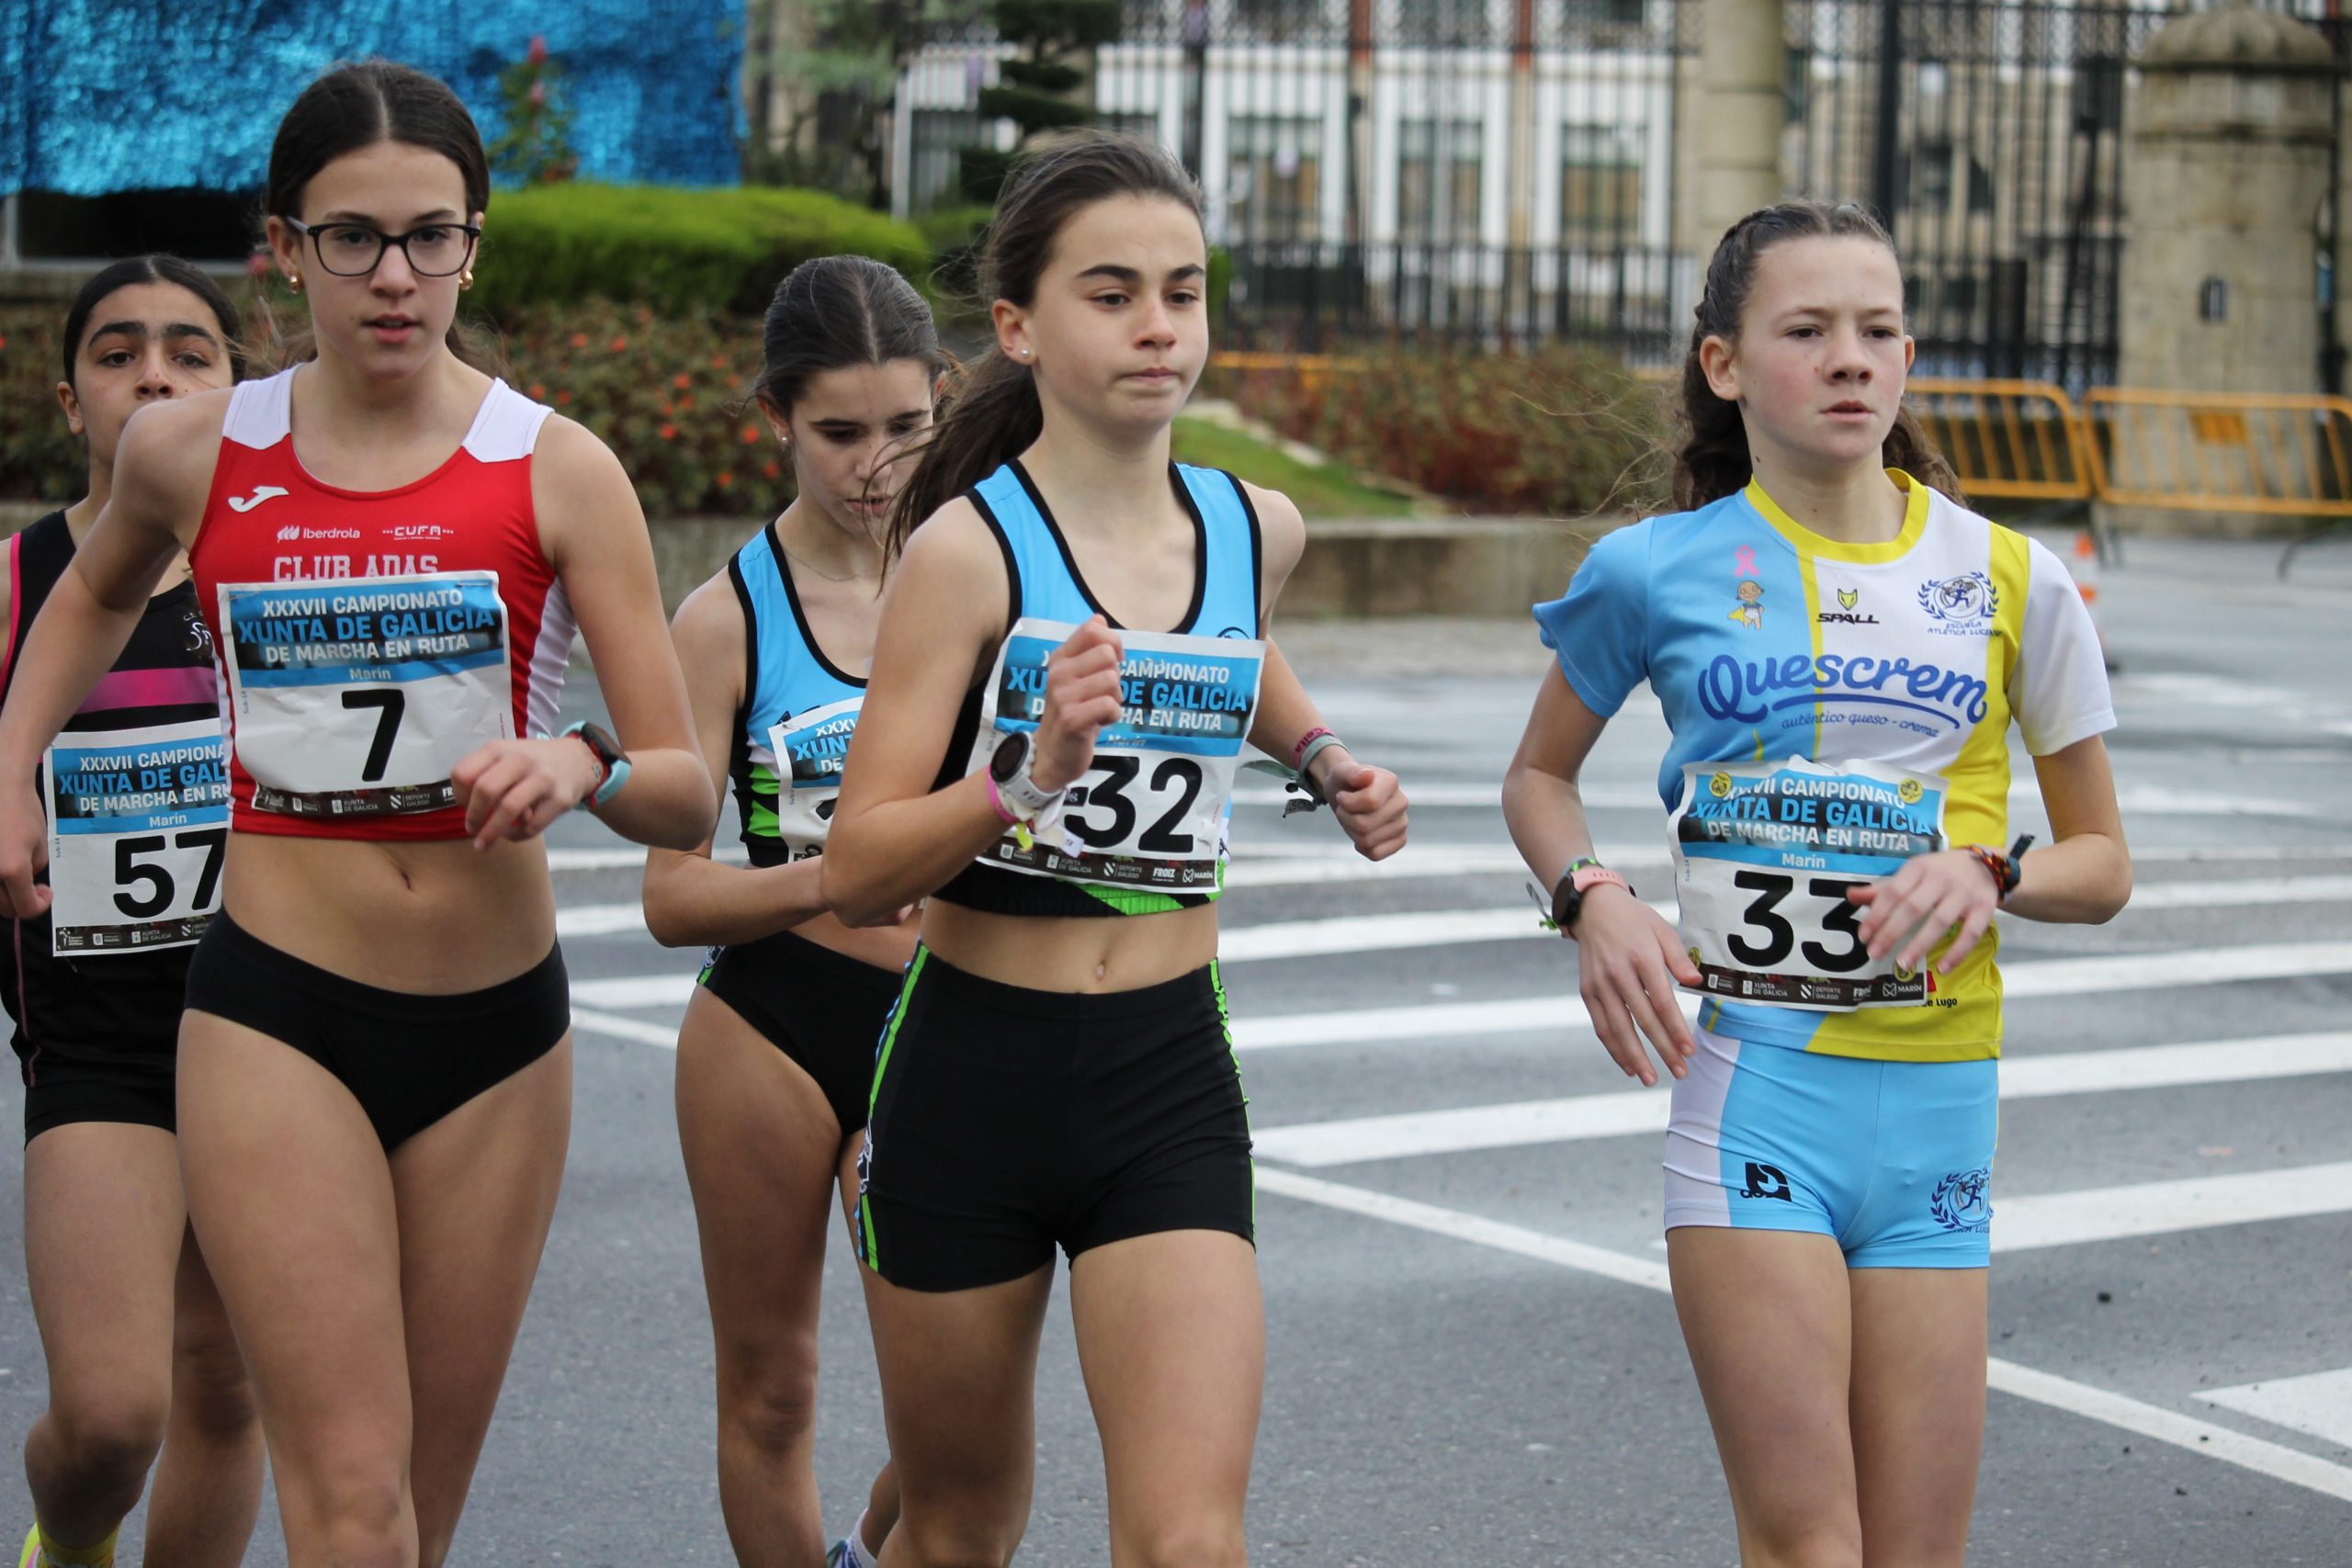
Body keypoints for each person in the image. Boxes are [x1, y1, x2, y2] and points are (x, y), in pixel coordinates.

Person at [0, 62, 710, 1568]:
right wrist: (10, 763)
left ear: (474, 247)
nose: (395, 276)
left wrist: (580, 762)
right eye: (353, 238)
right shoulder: (196, 451)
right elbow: (84, 599)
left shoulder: (559, 469)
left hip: (493, 1039)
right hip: (275, 1014)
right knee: (351, 1515)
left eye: (431, 237)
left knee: (414, 1530)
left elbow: (683, 782)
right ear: (285, 248)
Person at [1500, 198, 2132, 1568]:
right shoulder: (1652, 571)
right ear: (1724, 365)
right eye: (1807, 331)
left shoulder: (2012, 577)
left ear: (1907, 356)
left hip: (1941, 1110)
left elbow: (2104, 867)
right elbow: (1538, 779)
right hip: (1758, 1100)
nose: (1851, 357)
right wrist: (1593, 897)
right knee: (1808, 1549)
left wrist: (1995, 869)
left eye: (1878, 329)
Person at [820, 130, 1409, 1568]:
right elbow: (855, 868)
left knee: (1190, 1543)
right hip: (972, 1073)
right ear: (1018, 327)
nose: (1159, 325)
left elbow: (1235, 655)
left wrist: (1324, 759)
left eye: (1183, 292)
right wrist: (1019, 781)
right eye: (1112, 293)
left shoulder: (1254, 527)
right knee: (959, 1530)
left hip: (1165, 1070)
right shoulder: (965, 553)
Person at [641, 254, 944, 1568]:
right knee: (774, 1393)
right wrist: (841, 876)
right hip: (771, 1025)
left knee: (951, 1417)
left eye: (906, 427)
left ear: (945, 399)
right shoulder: (724, 620)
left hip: (947, 1019)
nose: (876, 466)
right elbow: (673, 896)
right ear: (776, 417)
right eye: (839, 433)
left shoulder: (989, 574)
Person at [7, 256, 265, 1568]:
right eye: (117, 355)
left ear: (238, 391)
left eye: (189, 353)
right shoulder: (17, 588)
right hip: (97, 1045)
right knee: (112, 1419)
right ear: (71, 401)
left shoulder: (272, 574)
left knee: (224, 1385)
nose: (154, 378)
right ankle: (66, 1541)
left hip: (266, 1030)